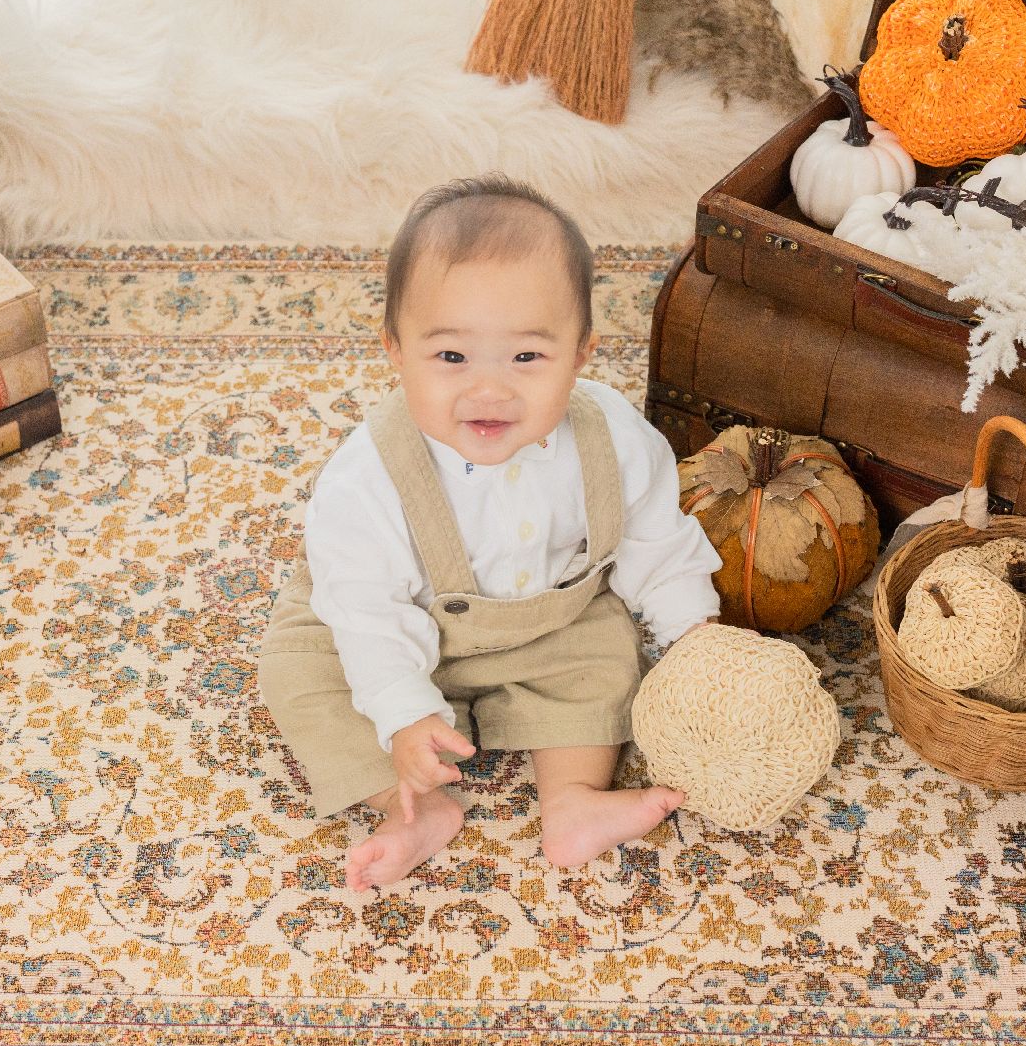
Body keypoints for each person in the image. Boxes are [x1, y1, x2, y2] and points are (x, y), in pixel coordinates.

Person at [259, 174, 722, 891]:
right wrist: (404, 714)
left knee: (605, 654)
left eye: (527, 357)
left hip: (550, 623)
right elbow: (365, 611)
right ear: (395, 349)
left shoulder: (615, 439)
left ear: (582, 353)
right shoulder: (366, 480)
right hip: (383, 624)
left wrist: (695, 634)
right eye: (452, 357)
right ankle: (413, 808)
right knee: (300, 672)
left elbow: (656, 543)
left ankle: (573, 799)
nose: (489, 390)